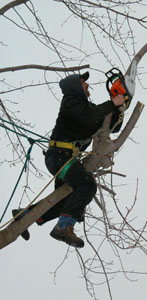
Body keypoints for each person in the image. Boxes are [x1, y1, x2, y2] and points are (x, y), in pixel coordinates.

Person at [12, 71, 125, 248]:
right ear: (75, 86)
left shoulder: (86, 108)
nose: (88, 85)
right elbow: (89, 117)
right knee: (87, 185)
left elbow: (110, 126)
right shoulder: (71, 102)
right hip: (59, 157)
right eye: (83, 82)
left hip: (65, 159)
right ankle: (63, 228)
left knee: (63, 202)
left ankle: (24, 215)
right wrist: (111, 103)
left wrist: (119, 108)